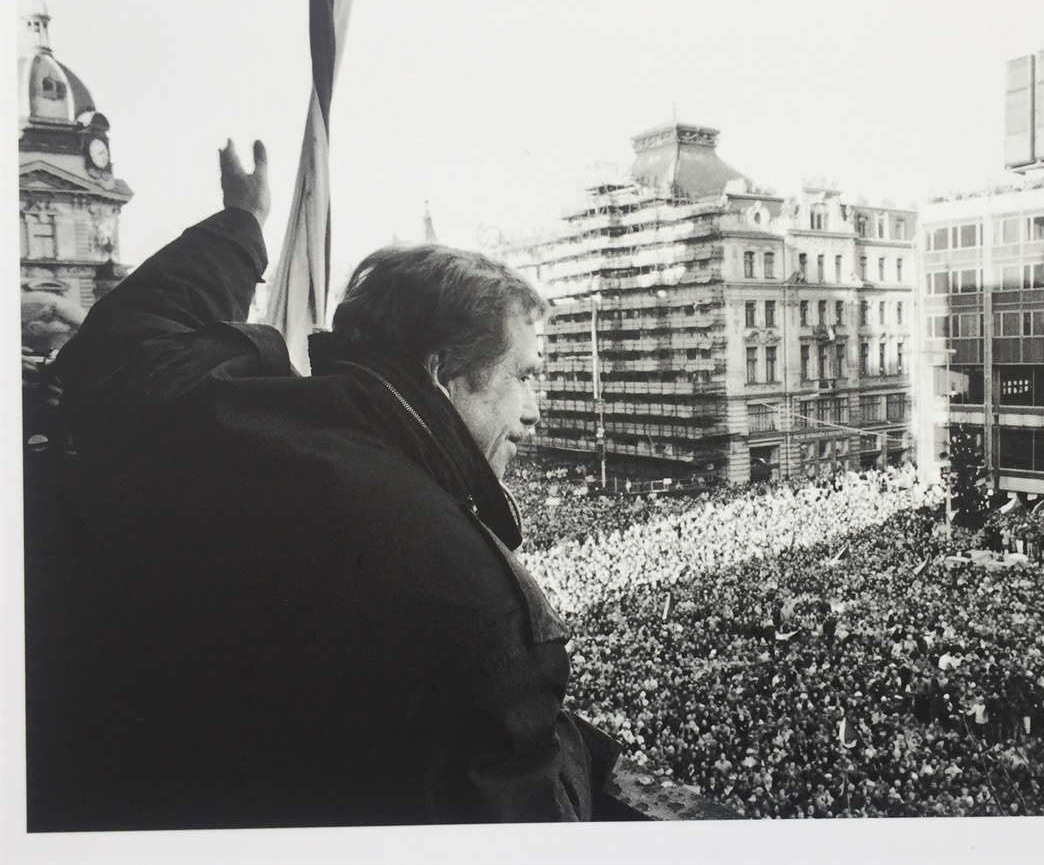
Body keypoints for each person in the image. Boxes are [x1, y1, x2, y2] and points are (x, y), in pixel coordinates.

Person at [37, 140, 619, 830]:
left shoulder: (219, 407)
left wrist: (241, 220)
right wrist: (571, 748)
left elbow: (124, 334)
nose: (538, 405)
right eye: (526, 373)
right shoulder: (485, 608)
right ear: (442, 371)